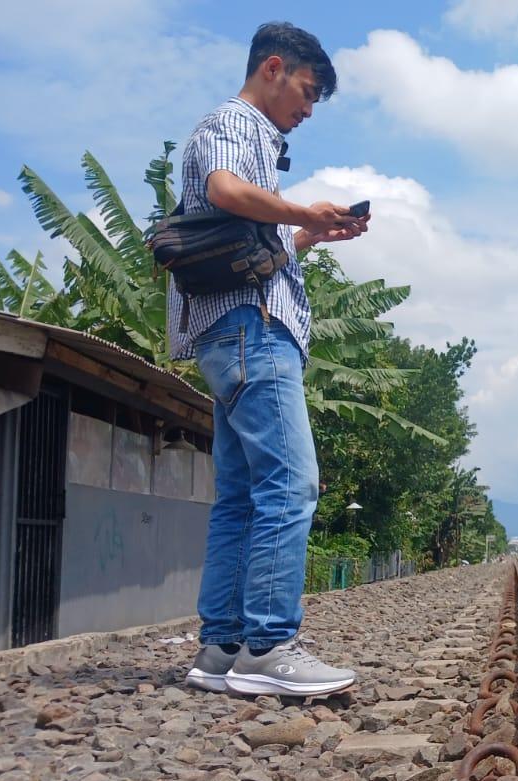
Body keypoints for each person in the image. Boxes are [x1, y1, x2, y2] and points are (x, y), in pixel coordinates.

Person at [175, 22, 368, 697]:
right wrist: (297, 206)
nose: (309, 110)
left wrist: (304, 233)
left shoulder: (250, 134)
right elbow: (227, 192)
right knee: (292, 486)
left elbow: (250, 245)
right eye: (308, 93)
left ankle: (222, 649)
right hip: (252, 331)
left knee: (240, 497)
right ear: (274, 68)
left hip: (230, 328)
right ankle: (268, 645)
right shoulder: (237, 122)